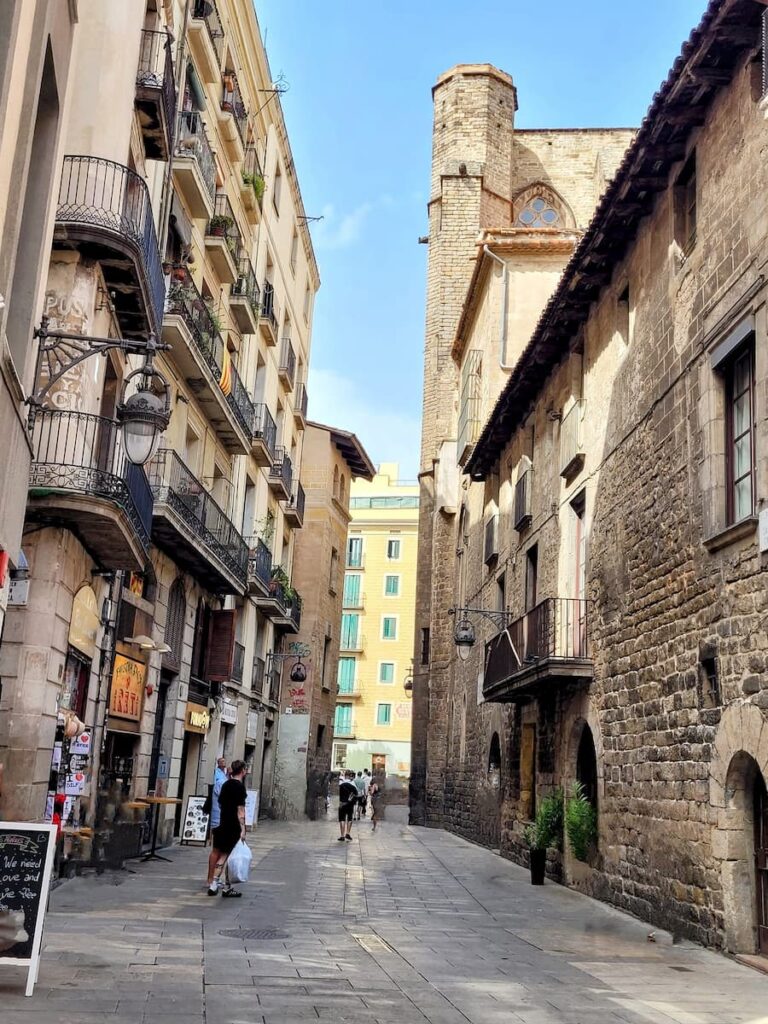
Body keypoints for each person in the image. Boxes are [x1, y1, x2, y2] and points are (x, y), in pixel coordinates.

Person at [207, 759, 247, 896]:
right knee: (226, 856)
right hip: (233, 825)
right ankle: (215, 884)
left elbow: (219, 803)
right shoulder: (240, 787)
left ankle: (223, 885)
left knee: (224, 854)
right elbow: (240, 810)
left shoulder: (225, 785)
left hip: (222, 823)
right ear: (242, 771)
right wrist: (243, 829)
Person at [338, 770, 357, 841]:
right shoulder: (353, 784)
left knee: (342, 819)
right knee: (349, 818)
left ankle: (342, 835)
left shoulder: (341, 784)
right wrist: (350, 799)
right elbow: (356, 793)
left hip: (342, 803)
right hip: (350, 804)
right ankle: (348, 833)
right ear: (350, 776)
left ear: (345, 776)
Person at [209, 757, 227, 831]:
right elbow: (216, 784)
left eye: (224, 761)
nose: (224, 763)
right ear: (218, 763)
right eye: (222, 761)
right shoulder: (216, 772)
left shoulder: (224, 773)